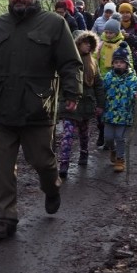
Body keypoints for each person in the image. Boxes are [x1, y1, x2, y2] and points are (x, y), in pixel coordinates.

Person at [0, 0, 83, 241]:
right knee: (2, 167)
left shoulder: (54, 24)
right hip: (3, 108)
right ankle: (5, 217)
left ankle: (52, 186)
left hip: (38, 107)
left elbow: (70, 62)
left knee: (42, 162)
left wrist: (73, 90)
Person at [57, 31, 104, 179]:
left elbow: (98, 85)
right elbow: (60, 83)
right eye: (85, 42)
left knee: (84, 133)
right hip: (70, 103)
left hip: (86, 104)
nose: (88, 45)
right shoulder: (68, 61)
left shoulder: (93, 63)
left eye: (90, 43)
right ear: (77, 44)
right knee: (68, 134)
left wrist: (100, 104)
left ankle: (84, 152)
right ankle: (64, 163)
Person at [101, 42, 137, 172]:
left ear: (127, 64)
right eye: (116, 62)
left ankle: (120, 158)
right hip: (109, 113)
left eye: (121, 62)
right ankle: (113, 150)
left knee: (120, 137)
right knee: (108, 137)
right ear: (112, 63)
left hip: (124, 114)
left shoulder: (132, 78)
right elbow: (102, 91)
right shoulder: (108, 77)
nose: (118, 64)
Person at [95, 13, 131, 148]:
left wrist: (129, 77)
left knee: (113, 109)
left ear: (116, 32)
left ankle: (115, 137)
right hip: (103, 80)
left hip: (118, 81)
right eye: (107, 32)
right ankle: (102, 134)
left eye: (111, 33)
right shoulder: (101, 44)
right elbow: (95, 59)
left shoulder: (122, 45)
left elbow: (129, 62)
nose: (108, 35)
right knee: (101, 109)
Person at [118, 2, 137, 66]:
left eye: (127, 12)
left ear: (131, 13)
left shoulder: (136, 25)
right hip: (118, 58)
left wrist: (129, 37)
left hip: (132, 59)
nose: (125, 15)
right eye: (122, 13)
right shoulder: (115, 24)